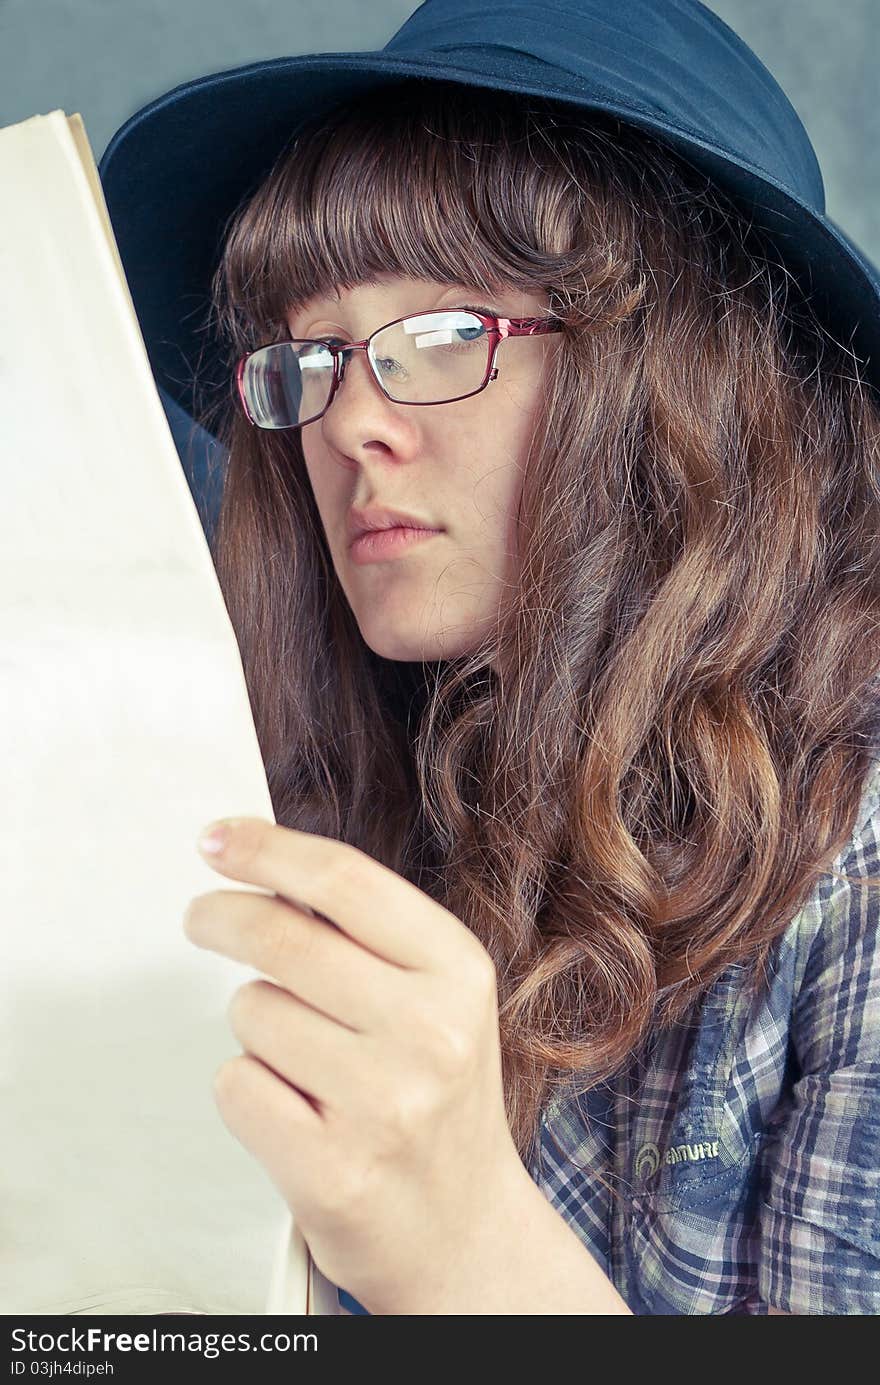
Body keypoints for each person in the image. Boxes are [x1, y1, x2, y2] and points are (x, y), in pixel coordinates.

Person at [100, 0, 880, 1314]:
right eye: (312, 356)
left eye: (447, 337)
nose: (350, 424)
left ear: (691, 384)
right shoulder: (339, 792)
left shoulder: (854, 868)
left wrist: (461, 1250)